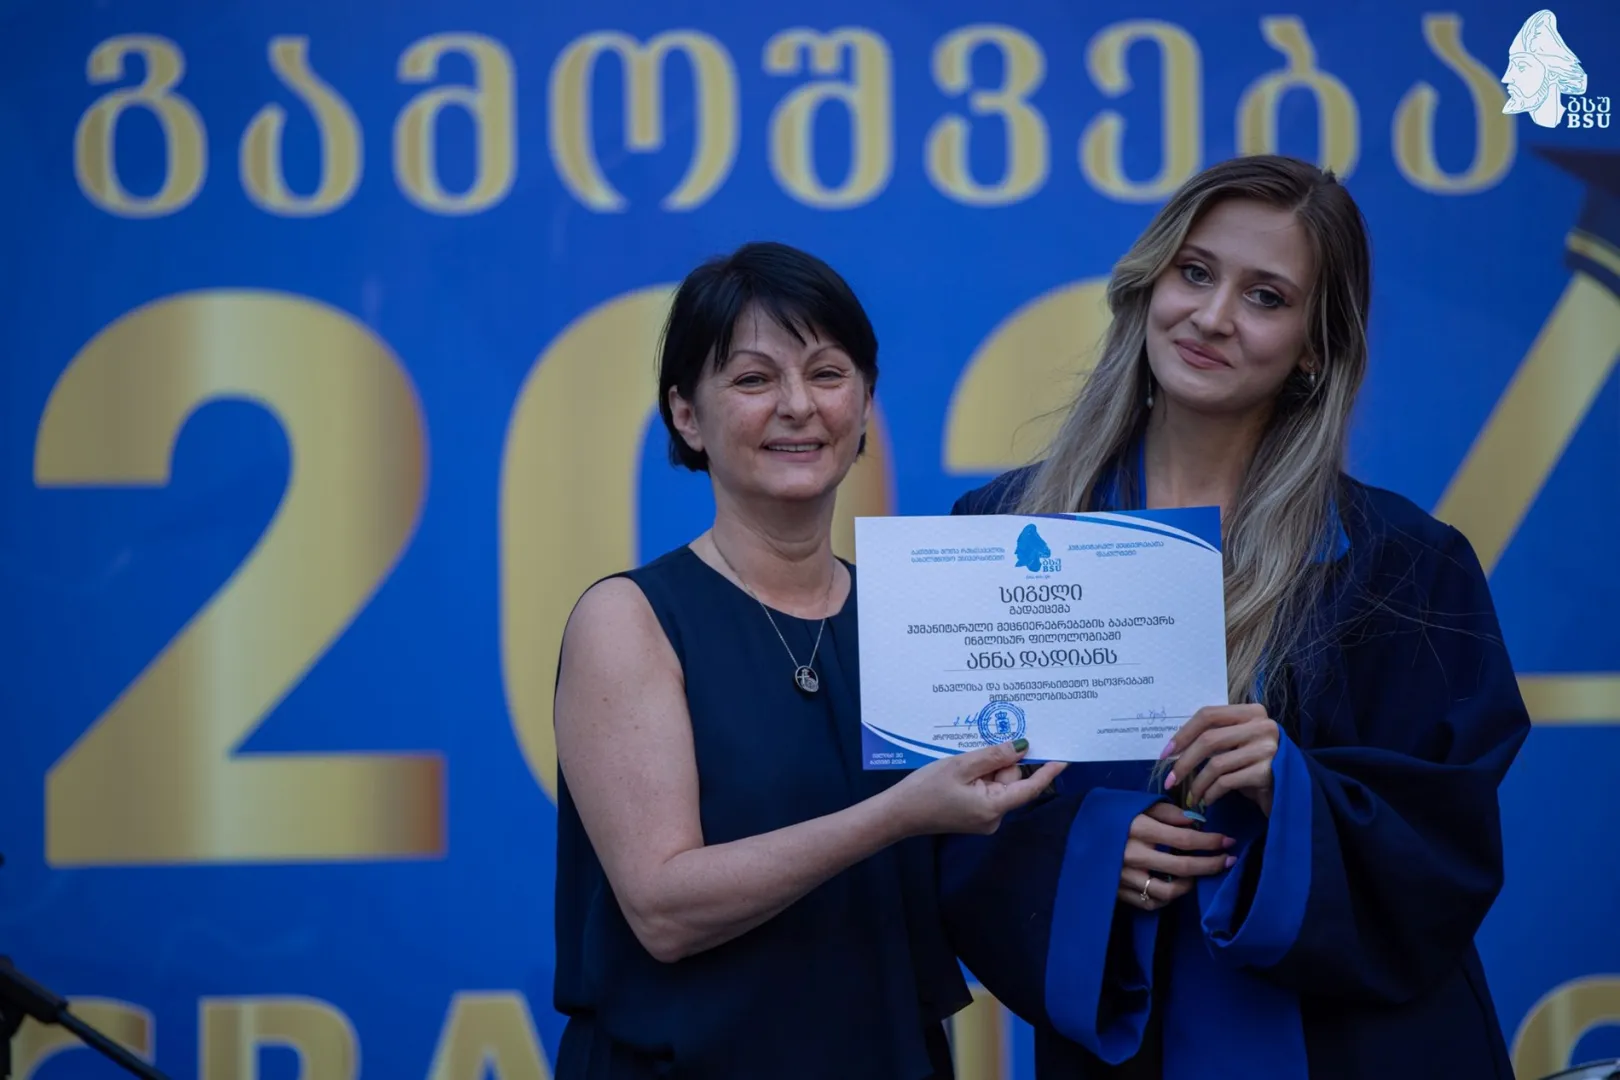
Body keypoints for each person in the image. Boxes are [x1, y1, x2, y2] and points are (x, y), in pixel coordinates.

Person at [938, 154, 1532, 1078]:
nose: (1213, 317)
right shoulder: (1001, 536)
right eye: (1195, 272)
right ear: (1149, 284)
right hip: (1126, 1046)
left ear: (1315, 348)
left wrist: (1290, 787)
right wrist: (1092, 855)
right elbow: (947, 820)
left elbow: (1447, 842)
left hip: (1361, 1053)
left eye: (1266, 297)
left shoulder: (1405, 565)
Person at [551, 240, 1066, 1079]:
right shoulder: (630, 620)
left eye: (827, 374)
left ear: (863, 404)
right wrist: (897, 814)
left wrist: (1111, 847)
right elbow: (663, 910)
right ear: (686, 415)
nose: (798, 406)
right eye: (754, 380)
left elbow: (983, 859)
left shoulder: (920, 619)